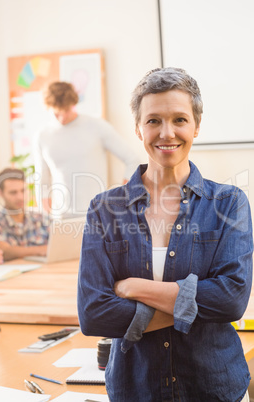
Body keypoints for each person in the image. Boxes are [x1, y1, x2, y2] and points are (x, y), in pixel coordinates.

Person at [77, 67, 253, 401]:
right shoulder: (105, 209)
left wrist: (133, 288)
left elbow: (231, 300)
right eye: (154, 120)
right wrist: (194, 306)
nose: (166, 132)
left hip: (213, 388)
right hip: (136, 389)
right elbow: (93, 314)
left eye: (180, 120)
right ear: (138, 128)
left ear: (196, 126)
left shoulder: (229, 204)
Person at [33, 81, 140, 218]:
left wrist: (121, 196)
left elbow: (133, 160)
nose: (62, 117)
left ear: (73, 104)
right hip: (61, 217)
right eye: (56, 113)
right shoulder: (42, 136)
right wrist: (45, 216)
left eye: (66, 110)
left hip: (98, 215)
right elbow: (43, 180)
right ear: (48, 108)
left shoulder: (97, 126)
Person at [0, 168, 50, 261]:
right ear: (1, 193)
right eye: (13, 192)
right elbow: (4, 251)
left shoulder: (42, 219)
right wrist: (41, 250)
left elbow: (59, 245)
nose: (20, 197)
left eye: (23, 190)